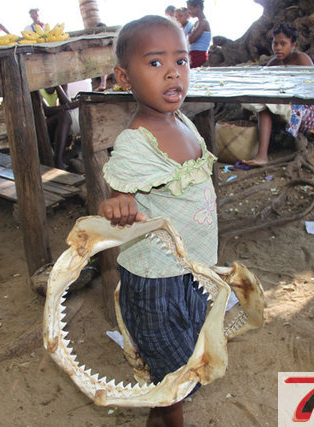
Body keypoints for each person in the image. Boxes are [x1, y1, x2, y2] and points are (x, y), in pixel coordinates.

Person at [98, 15, 217, 427]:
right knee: (173, 372)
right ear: (124, 77)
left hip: (190, 269)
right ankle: (169, 413)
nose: (172, 72)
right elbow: (119, 193)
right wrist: (119, 205)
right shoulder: (136, 142)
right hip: (156, 282)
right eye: (154, 63)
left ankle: (158, 414)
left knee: (189, 345)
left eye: (181, 60)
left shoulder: (182, 121)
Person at [241, 23, 314, 167]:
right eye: (275, 43)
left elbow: (311, 88)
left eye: (283, 44)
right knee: (255, 106)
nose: (278, 48)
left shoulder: (301, 59)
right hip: (282, 105)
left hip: (304, 110)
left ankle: (262, 156)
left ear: (293, 45)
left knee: (266, 108)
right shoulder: (274, 63)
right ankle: (260, 150)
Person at [41, 85, 78, 169]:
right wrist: (74, 104)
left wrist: (58, 87)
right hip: (38, 126)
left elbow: (66, 104)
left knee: (66, 117)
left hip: (52, 123)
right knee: (64, 116)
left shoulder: (58, 84)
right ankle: (58, 161)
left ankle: (62, 159)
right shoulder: (36, 87)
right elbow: (47, 111)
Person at [186, 0, 211, 68]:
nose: (189, 12)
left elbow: (191, 39)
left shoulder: (203, 22)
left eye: (190, 9)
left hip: (199, 55)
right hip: (193, 54)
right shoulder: (197, 23)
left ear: (198, 7)